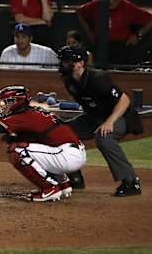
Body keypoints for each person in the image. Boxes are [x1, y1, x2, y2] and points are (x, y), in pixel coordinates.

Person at [57, 45, 143, 196]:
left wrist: (109, 122)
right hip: (95, 118)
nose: (63, 64)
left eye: (67, 61)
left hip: (120, 116)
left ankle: (130, 181)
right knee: (62, 132)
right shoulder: (69, 81)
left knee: (104, 137)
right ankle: (74, 177)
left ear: (80, 63)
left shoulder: (98, 79)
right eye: (62, 61)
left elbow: (124, 100)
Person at [76, 0, 152, 64]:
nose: (111, 2)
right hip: (99, 46)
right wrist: (89, 32)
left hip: (120, 47)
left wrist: (138, 35)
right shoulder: (96, 4)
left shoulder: (127, 7)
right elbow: (79, 11)